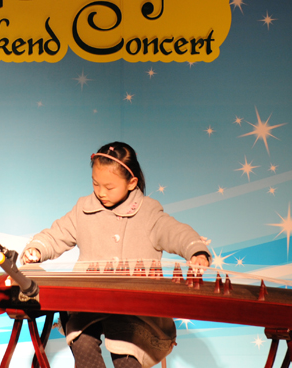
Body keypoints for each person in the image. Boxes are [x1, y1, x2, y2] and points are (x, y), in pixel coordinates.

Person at [22, 142, 210, 368]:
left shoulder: (148, 212)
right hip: (89, 303)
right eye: (95, 184)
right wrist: (37, 249)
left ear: (132, 183)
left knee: (125, 354)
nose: (101, 192)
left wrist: (196, 251)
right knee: (82, 344)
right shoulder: (83, 209)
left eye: (109, 187)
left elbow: (175, 232)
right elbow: (57, 234)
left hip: (136, 310)